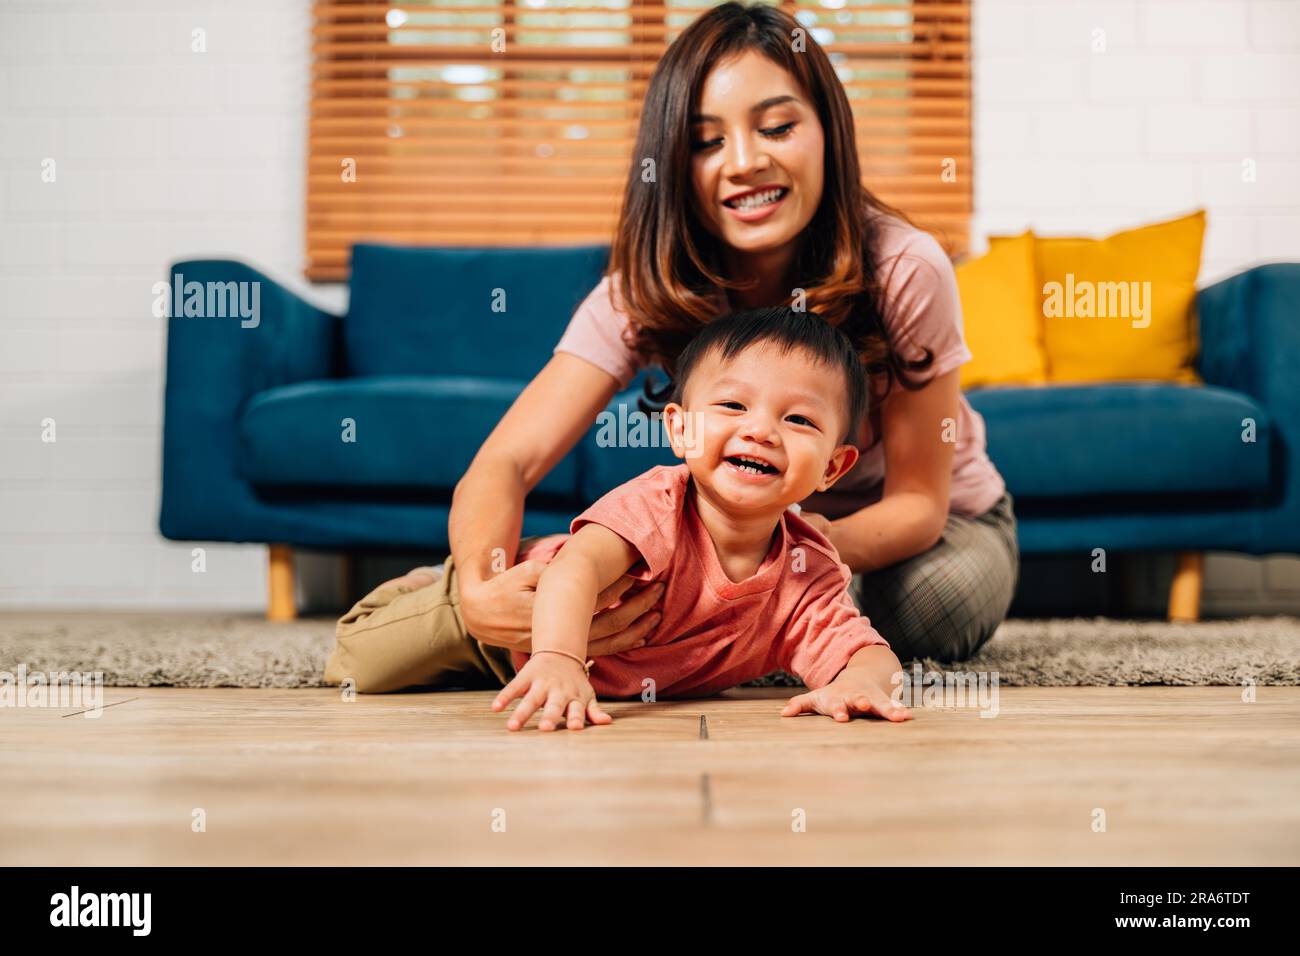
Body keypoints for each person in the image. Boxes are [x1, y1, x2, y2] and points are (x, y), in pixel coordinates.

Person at [445, 1, 1019, 669]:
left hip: (928, 528)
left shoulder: (902, 267)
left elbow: (920, 503)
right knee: (572, 583)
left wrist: (788, 554)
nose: (744, 162)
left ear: (828, 131)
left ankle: (778, 626)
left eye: (777, 127)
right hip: (732, 533)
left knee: (928, 611)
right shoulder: (642, 288)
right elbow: (504, 463)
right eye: (707, 141)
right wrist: (480, 587)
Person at [325, 308, 913, 732]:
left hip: (582, 665)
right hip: (518, 610)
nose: (760, 430)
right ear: (679, 428)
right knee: (359, 663)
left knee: (444, 684)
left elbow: (864, 651)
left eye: (799, 420)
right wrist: (556, 658)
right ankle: (435, 583)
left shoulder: (807, 570)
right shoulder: (660, 503)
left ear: (833, 467)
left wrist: (861, 683)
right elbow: (577, 570)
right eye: (733, 405)